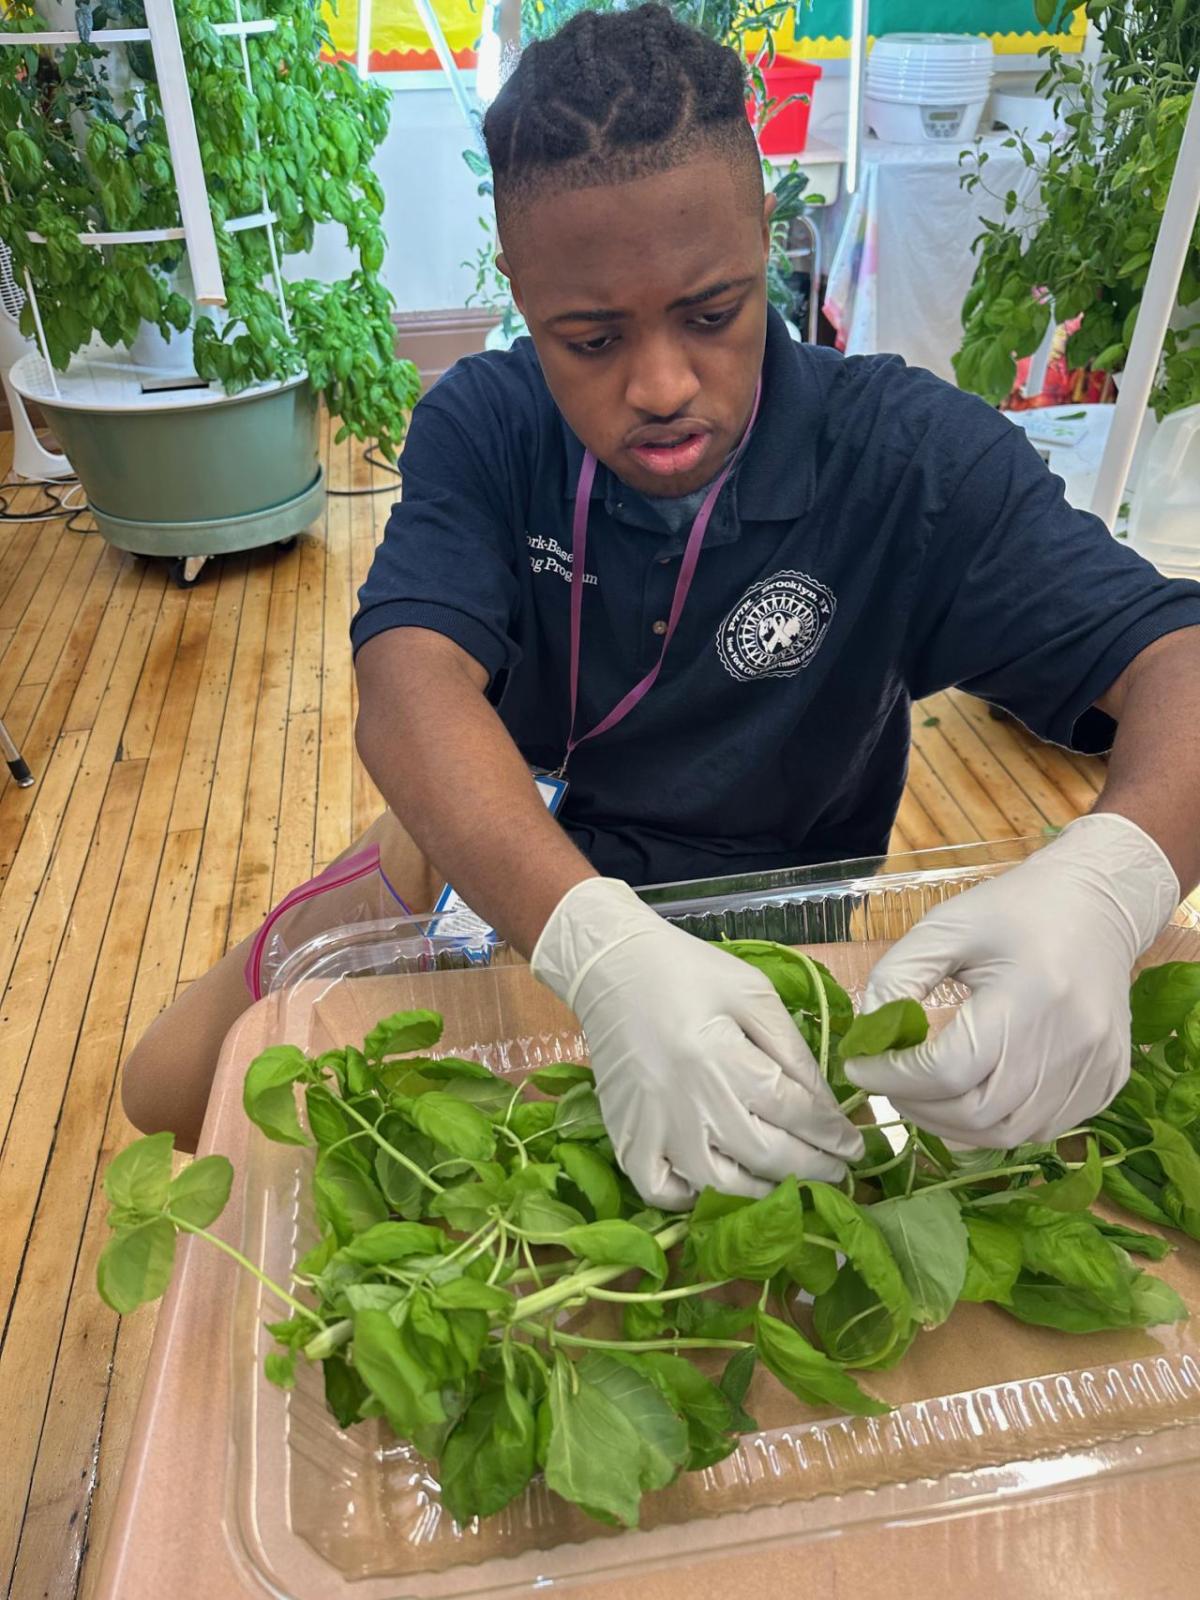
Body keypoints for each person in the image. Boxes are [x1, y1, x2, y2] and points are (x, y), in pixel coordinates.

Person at [124, 5, 1200, 1209]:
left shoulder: (905, 461)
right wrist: (595, 944)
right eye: (590, 339)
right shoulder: (489, 424)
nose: (663, 386)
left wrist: (1116, 878)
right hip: (485, 873)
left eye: (712, 312)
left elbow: (1181, 664)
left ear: (764, 238)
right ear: (523, 298)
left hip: (768, 947)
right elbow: (407, 687)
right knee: (168, 1087)